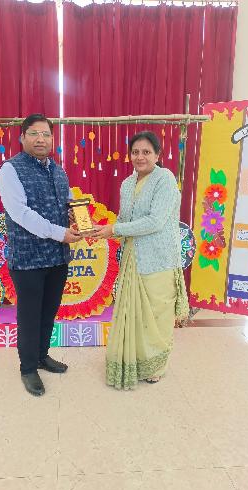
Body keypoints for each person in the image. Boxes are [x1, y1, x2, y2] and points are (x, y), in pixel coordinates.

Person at [93, 131, 189, 390]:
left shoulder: (165, 179)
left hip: (159, 258)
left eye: (146, 152)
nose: (140, 157)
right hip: (133, 258)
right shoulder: (127, 183)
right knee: (133, 315)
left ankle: (155, 366)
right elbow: (124, 221)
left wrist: (115, 229)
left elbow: (155, 221)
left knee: (156, 314)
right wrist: (100, 229)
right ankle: (133, 361)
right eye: (135, 152)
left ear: (157, 155)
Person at [0, 114, 81, 397]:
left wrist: (75, 214)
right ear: (22, 137)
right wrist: (59, 232)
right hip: (28, 258)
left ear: (53, 139)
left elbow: (67, 201)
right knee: (30, 316)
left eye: (46, 134)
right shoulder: (10, 170)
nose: (41, 139)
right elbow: (21, 214)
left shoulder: (58, 170)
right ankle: (28, 368)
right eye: (34, 133)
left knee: (48, 312)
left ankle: (42, 356)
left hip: (57, 257)